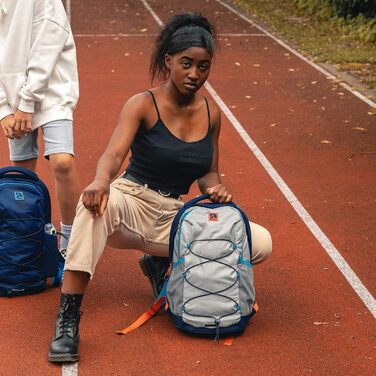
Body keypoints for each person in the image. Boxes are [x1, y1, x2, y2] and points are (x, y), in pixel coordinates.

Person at [47, 12, 272, 363]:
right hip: (131, 202)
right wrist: (100, 181)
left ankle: (158, 263)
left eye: (203, 66)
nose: (194, 74)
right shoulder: (143, 104)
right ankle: (68, 319)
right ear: (169, 61)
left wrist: (218, 190)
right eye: (186, 64)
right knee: (91, 209)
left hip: (175, 215)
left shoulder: (212, 114)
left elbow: (209, 174)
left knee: (259, 242)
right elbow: (113, 153)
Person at [0, 0, 80, 253]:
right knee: (23, 171)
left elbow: (49, 43)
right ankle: (29, 236)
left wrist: (28, 101)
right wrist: (3, 110)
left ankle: (70, 241)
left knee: (62, 161)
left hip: (52, 88)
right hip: (11, 98)